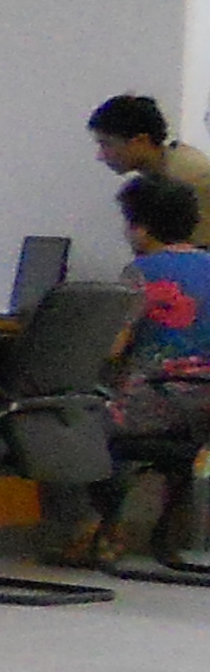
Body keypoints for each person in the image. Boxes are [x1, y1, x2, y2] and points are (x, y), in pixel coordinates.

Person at [49, 173, 210, 565]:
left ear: (140, 227)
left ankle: (93, 529)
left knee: (63, 423)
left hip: (156, 401)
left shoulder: (142, 272)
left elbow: (112, 348)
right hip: (203, 407)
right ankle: (128, 530)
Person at [86, 94, 210, 207]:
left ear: (141, 141)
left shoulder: (189, 178)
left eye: (106, 144)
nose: (100, 156)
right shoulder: (162, 174)